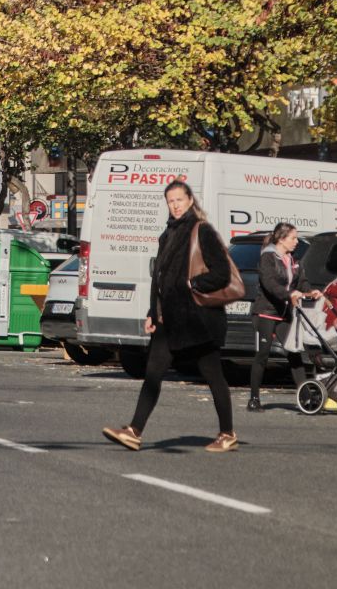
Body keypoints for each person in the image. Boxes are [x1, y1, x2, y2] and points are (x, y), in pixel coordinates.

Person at [102, 180, 239, 453]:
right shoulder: (168, 234)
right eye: (170, 201)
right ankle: (134, 431)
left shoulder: (202, 231)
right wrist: (152, 312)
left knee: (213, 374)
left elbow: (221, 273)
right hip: (170, 320)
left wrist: (193, 285)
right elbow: (160, 279)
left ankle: (227, 433)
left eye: (179, 200)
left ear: (190, 200)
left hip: (198, 320)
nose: (175, 205)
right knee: (153, 373)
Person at [246, 223, 322, 412]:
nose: (297, 242)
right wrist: (289, 294)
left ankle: (306, 399)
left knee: (294, 352)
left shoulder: (292, 260)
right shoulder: (268, 258)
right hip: (266, 312)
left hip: (284, 314)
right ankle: (254, 399)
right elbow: (270, 284)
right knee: (262, 355)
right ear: (281, 239)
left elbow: (301, 281)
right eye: (293, 238)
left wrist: (310, 291)